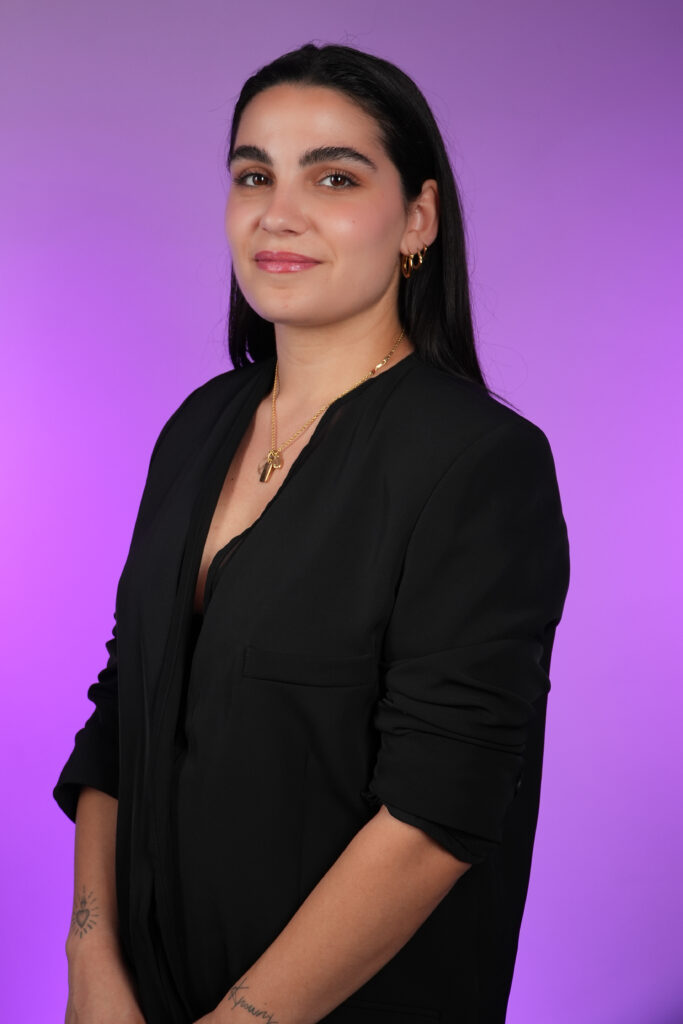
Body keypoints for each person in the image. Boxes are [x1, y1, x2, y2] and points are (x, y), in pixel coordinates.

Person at [54, 42, 570, 1024]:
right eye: (254, 175)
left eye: (333, 177)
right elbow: (122, 715)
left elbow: (436, 814)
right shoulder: (197, 427)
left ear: (417, 218)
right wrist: (90, 958)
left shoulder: (478, 463)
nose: (277, 213)